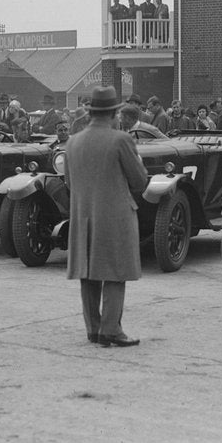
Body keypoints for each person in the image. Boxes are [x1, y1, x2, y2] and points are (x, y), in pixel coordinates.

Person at [65, 85, 149, 347]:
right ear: (114, 113)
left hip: (83, 215)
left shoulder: (72, 141)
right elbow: (139, 181)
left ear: (90, 113)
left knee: (88, 272)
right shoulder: (121, 140)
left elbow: (69, 181)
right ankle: (111, 329)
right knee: (115, 271)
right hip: (115, 215)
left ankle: (93, 328)